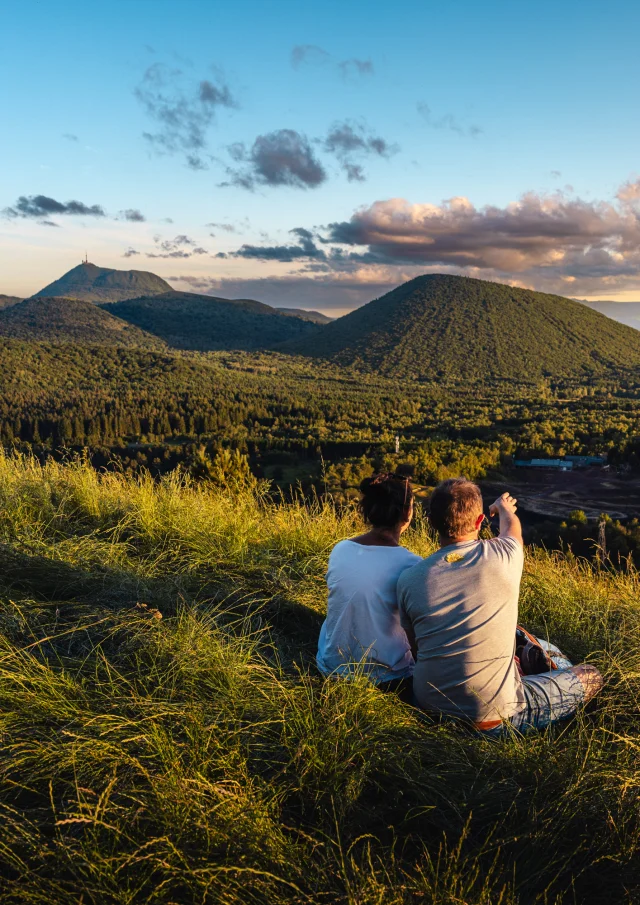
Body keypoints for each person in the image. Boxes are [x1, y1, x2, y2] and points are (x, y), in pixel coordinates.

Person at [397, 478, 603, 734]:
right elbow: (511, 528)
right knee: (591, 675)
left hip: (428, 708)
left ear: (431, 522)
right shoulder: (504, 555)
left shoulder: (408, 580)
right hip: (492, 718)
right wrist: (504, 507)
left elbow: (416, 648)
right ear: (480, 521)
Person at [317, 473, 422, 696]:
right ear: (406, 512)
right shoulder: (412, 564)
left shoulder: (340, 549)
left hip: (331, 667)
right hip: (387, 679)